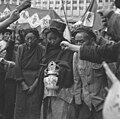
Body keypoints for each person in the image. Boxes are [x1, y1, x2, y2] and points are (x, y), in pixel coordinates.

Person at [39, 20, 76, 119]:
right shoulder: (47, 49)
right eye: (49, 39)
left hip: (63, 89)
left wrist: (58, 69)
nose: (51, 41)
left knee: (61, 114)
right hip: (48, 87)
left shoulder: (67, 48)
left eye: (54, 38)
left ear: (60, 37)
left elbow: (69, 68)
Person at [72, 26, 108, 119]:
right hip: (86, 103)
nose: (79, 45)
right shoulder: (76, 56)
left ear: (91, 40)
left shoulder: (101, 53)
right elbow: (77, 79)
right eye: (77, 42)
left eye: (82, 41)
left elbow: (111, 79)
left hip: (102, 103)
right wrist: (78, 100)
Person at [14, 28, 43, 119]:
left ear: (37, 39)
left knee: (33, 107)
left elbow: (42, 68)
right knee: (20, 107)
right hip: (22, 80)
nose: (29, 41)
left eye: (32, 38)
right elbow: (17, 65)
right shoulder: (21, 48)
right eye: (27, 38)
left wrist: (34, 85)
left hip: (35, 80)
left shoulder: (41, 49)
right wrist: (22, 83)